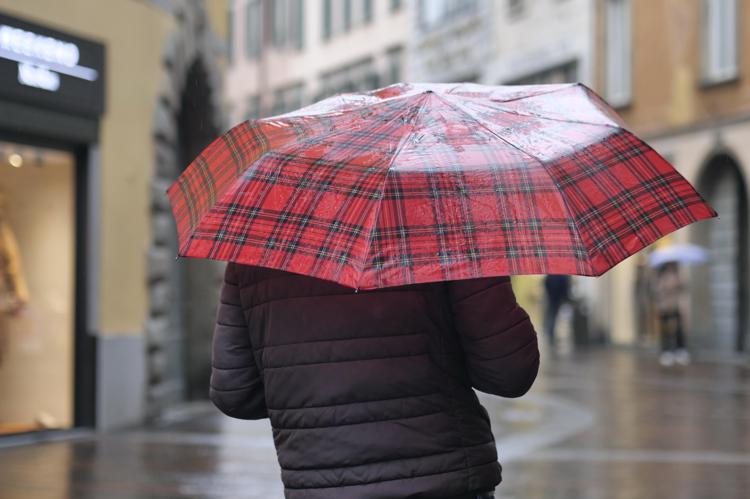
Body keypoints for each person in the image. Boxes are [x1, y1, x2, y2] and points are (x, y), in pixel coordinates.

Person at [210, 262, 540, 499]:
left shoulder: (257, 252)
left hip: (318, 480)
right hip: (444, 477)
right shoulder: (446, 228)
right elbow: (509, 373)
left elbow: (235, 392)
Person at [654, 261, 690, 366]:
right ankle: (666, 351)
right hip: (664, 306)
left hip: (676, 306)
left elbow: (683, 286)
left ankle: (680, 350)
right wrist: (666, 286)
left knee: (678, 329)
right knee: (665, 330)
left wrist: (678, 282)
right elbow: (657, 290)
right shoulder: (660, 275)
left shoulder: (678, 274)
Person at [542, 274, 571, 347]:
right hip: (557, 299)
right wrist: (565, 297)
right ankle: (551, 335)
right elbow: (565, 287)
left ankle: (551, 335)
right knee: (554, 317)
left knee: (552, 317)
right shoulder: (563, 276)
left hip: (552, 298)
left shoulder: (550, 275)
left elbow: (546, 285)